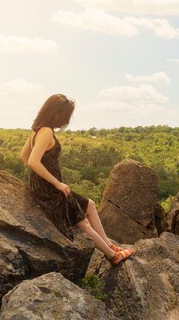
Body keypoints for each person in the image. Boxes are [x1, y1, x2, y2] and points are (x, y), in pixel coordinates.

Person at [20, 94, 133, 266]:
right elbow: (32, 161)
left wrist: (40, 179)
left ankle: (110, 245)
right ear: (56, 113)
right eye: (65, 116)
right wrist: (56, 182)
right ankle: (112, 256)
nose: (65, 121)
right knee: (83, 222)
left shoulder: (36, 129)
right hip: (50, 189)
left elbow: (24, 155)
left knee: (90, 205)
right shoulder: (46, 131)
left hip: (45, 185)